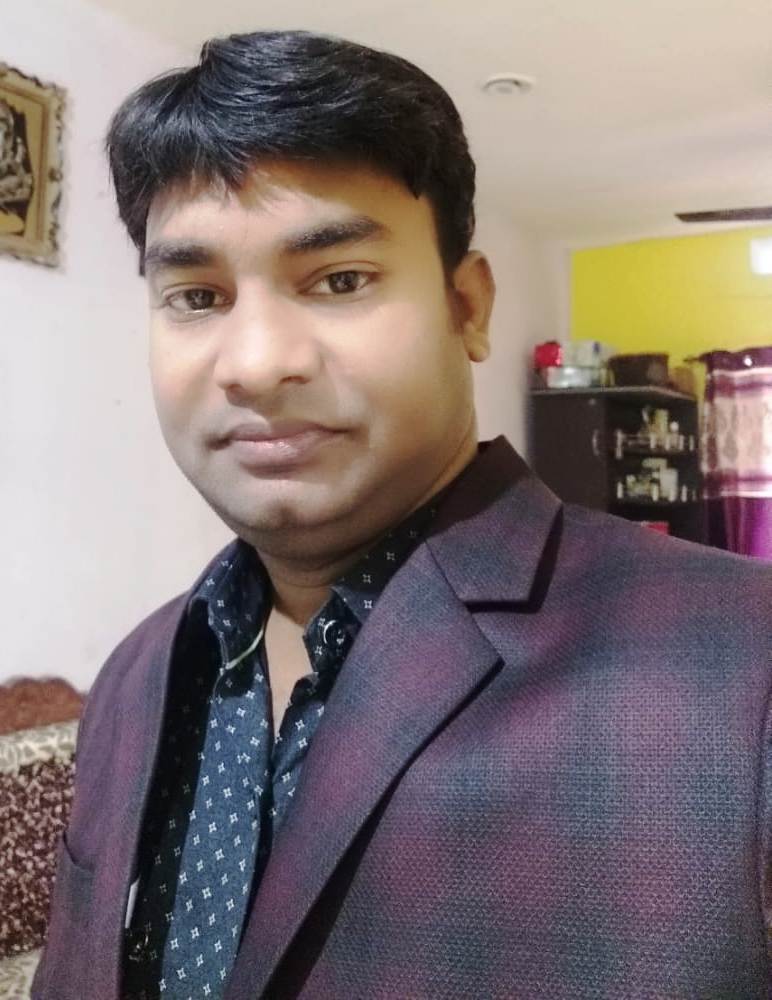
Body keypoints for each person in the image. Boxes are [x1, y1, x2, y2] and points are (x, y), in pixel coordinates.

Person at [33, 29, 772, 1000]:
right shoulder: (136, 675)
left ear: (468, 307)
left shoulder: (743, 663)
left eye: (339, 279)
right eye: (197, 295)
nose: (256, 363)